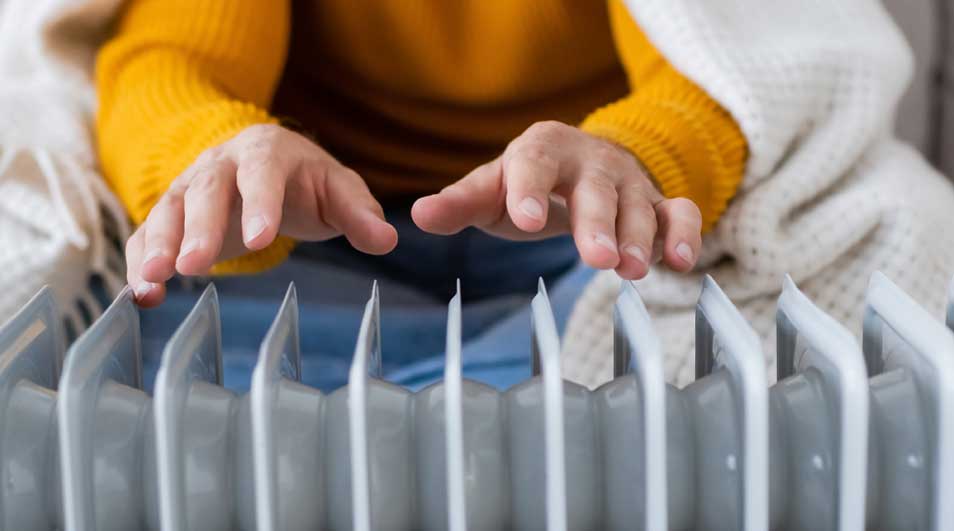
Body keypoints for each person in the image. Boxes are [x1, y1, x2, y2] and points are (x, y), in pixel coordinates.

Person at [96, 0, 745, 388]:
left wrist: (631, 156)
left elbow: (721, 59)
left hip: (572, 231)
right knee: (160, 338)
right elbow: (172, 60)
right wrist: (227, 155)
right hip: (318, 233)